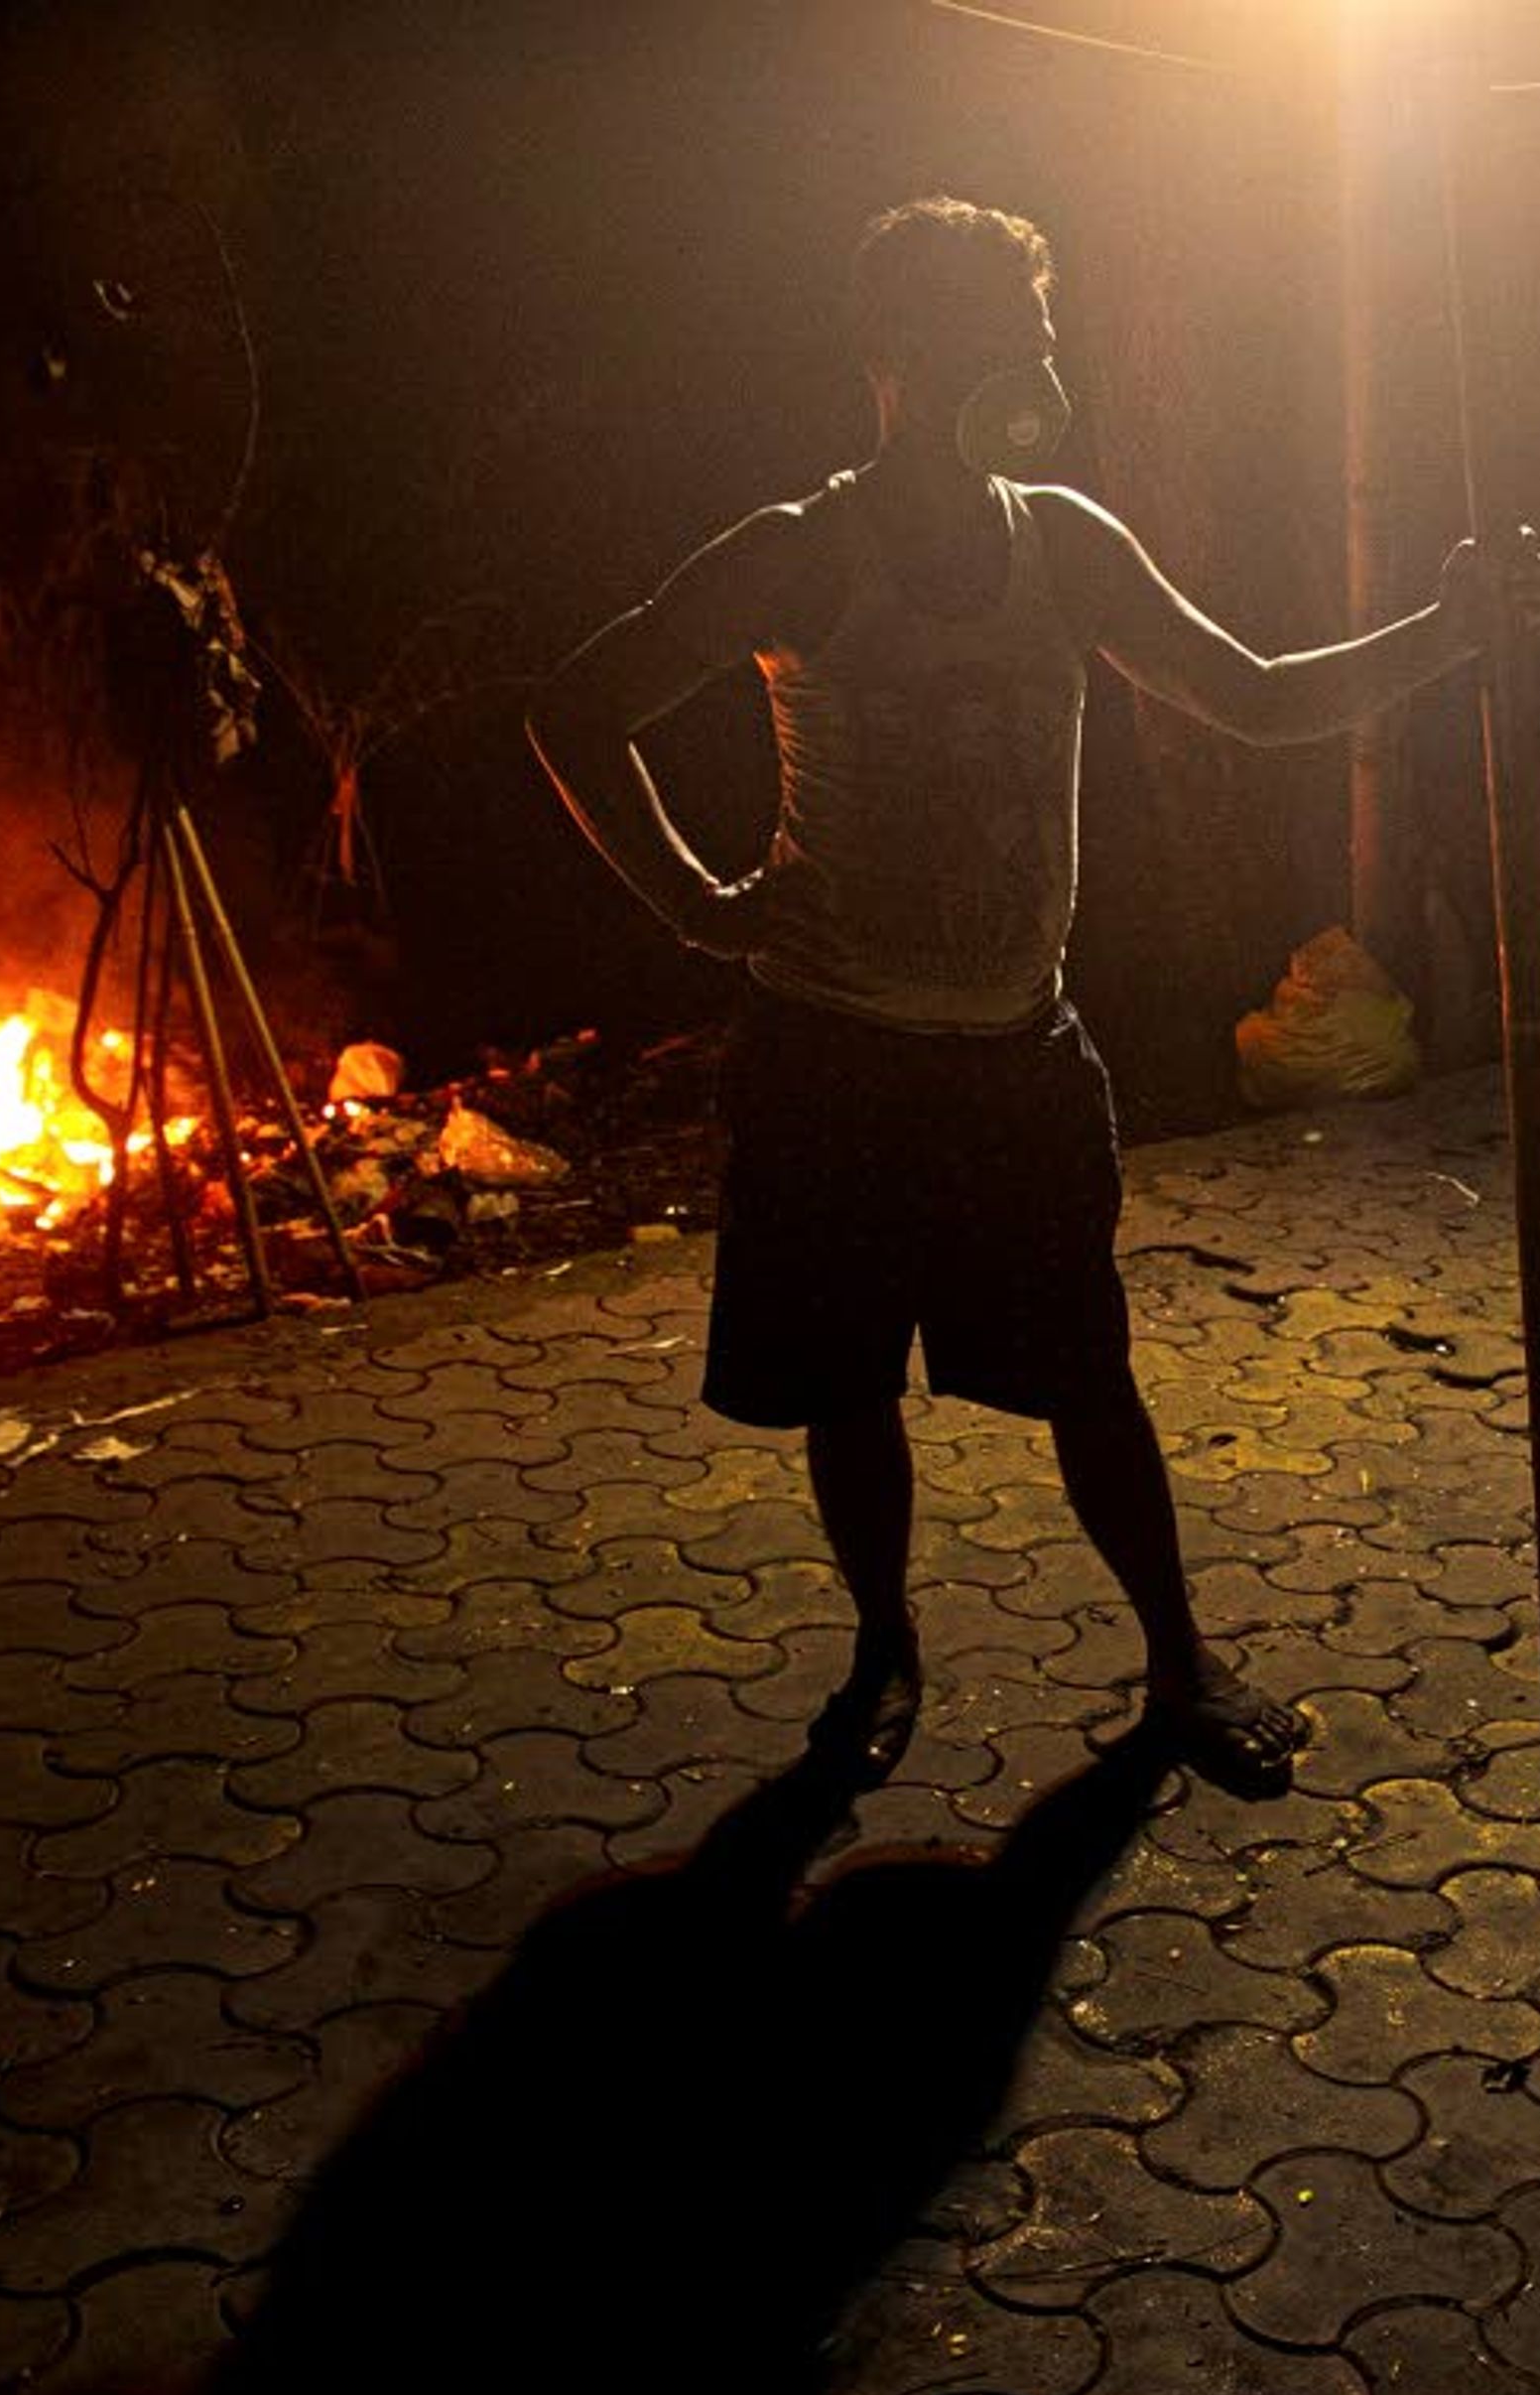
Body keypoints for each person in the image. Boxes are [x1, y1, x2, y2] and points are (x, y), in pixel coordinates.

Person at [530, 196, 1488, 1790]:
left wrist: (1449, 638)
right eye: (996, 341)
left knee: (1089, 1377)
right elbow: (576, 706)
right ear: (893, 354)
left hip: (1015, 1060)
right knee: (850, 1387)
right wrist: (692, 907)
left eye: (1038, 344)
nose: (1030, 373)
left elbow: (1248, 699)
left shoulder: (1065, 540)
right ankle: (885, 1645)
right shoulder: (800, 553)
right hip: (834, 1058)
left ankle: (1180, 1664)